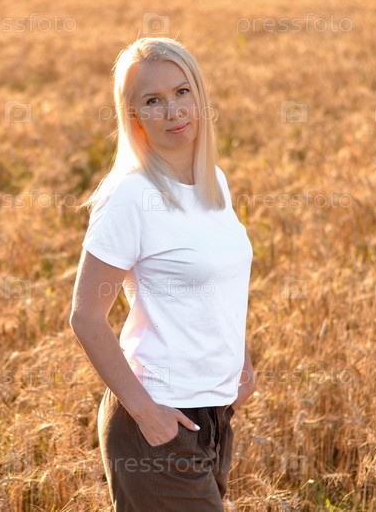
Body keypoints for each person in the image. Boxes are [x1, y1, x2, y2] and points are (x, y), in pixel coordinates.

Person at [69, 37, 256, 512]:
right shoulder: (129, 197)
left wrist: (243, 361)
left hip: (213, 418)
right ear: (133, 116)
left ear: (199, 95)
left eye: (182, 91)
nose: (174, 111)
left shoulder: (213, 182)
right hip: (157, 423)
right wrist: (145, 412)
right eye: (153, 101)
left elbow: (220, 282)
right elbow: (86, 316)